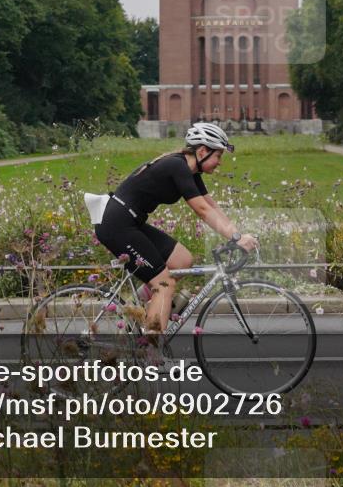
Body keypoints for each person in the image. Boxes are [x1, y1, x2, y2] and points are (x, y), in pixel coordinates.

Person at [94, 122, 258, 335]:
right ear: (202, 151)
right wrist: (236, 237)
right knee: (164, 284)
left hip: (130, 221)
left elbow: (211, 206)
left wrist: (237, 233)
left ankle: (136, 307)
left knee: (182, 260)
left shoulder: (190, 172)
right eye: (218, 156)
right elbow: (201, 210)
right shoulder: (177, 166)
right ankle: (151, 352)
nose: (219, 163)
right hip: (116, 224)